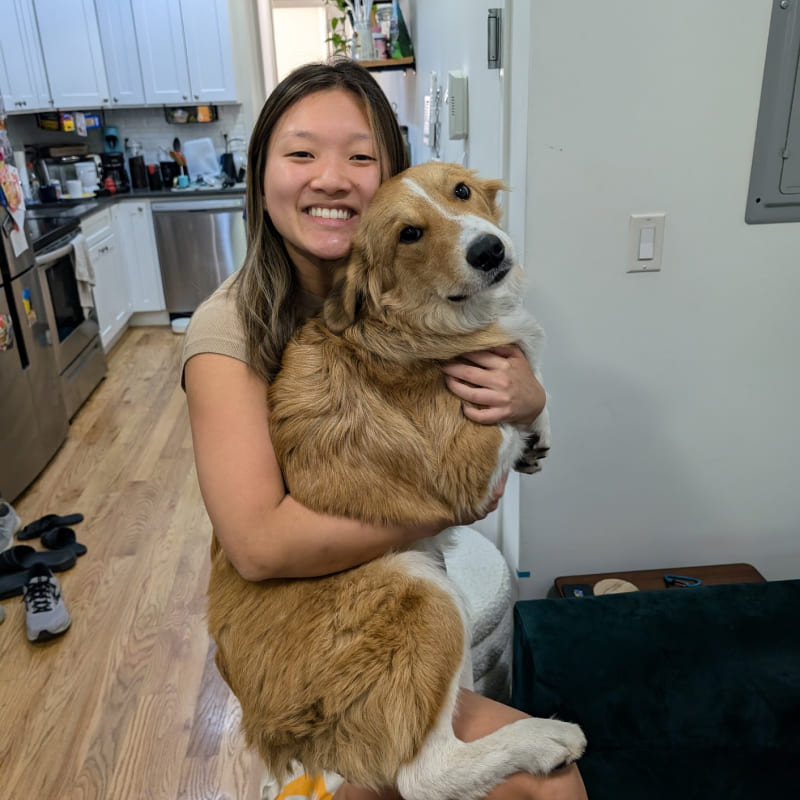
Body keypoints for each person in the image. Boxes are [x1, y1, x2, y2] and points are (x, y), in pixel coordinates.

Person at [182, 58, 587, 800]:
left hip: (358, 584)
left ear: (392, 175)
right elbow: (260, 547)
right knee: (548, 789)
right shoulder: (228, 329)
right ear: (260, 172)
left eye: (361, 155)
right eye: (302, 152)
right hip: (303, 607)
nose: (333, 177)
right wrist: (450, 505)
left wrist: (527, 402)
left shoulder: (413, 281)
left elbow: (488, 441)